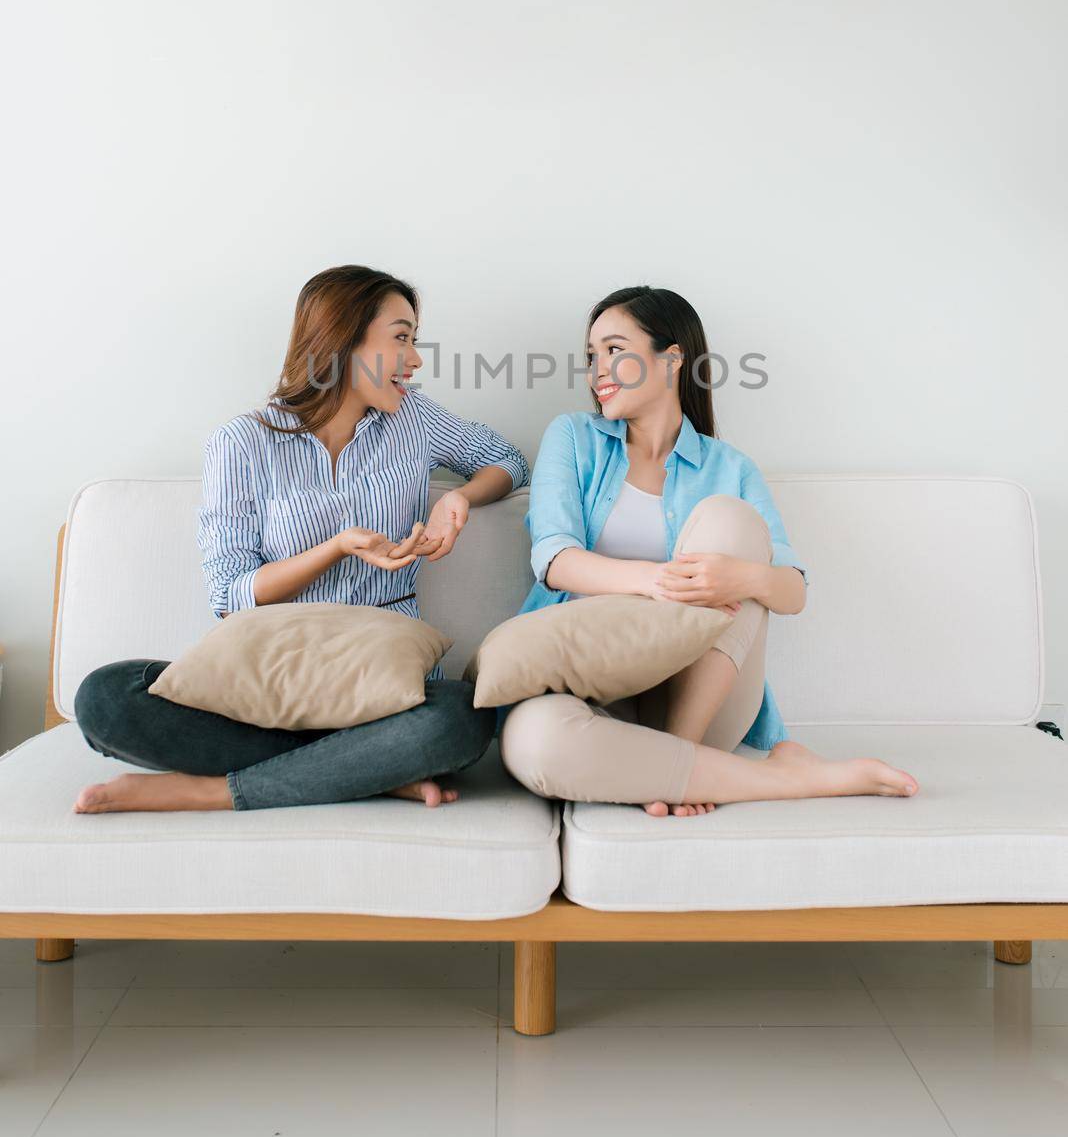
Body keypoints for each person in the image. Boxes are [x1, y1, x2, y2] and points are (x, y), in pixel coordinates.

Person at [72, 264, 530, 814]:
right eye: (402, 338)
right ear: (343, 339)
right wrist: (334, 548)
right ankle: (366, 768)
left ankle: (222, 789)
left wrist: (459, 498)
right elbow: (231, 596)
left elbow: (507, 460)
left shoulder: (414, 419)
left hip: (383, 687)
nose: (415, 360)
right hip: (273, 682)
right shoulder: (243, 442)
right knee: (103, 698)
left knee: (461, 716)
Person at [499, 285, 919, 816]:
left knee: (730, 522)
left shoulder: (731, 468)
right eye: (591, 356)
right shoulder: (574, 437)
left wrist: (738, 579)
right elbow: (555, 560)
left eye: (613, 350)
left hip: (698, 700)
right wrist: (655, 581)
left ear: (671, 359)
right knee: (535, 743)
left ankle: (682, 751)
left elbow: (792, 590)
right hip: (590, 693)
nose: (596, 370)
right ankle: (772, 776)